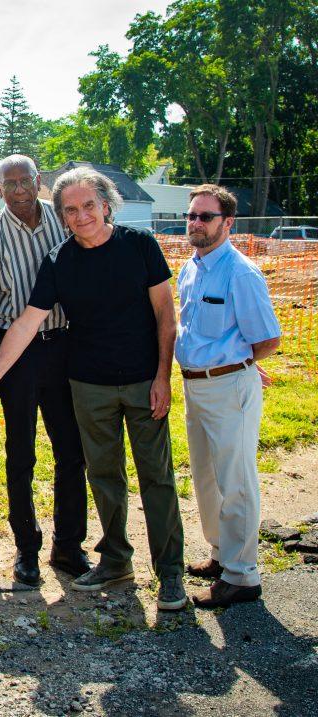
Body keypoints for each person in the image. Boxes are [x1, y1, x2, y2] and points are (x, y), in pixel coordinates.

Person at [0, 166, 188, 611]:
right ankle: (116, 559)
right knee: (104, 476)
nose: (82, 215)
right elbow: (27, 322)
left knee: (155, 478)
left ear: (106, 204)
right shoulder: (60, 260)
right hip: (89, 385)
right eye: (72, 210)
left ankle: (170, 573)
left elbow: (166, 312)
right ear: (62, 216)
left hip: (145, 382)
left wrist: (164, 375)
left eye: (89, 205)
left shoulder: (139, 245)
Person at [0, 155, 88, 586]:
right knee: (20, 451)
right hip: (17, 354)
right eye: (10, 184)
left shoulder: (64, 222)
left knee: (70, 449)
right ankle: (27, 548)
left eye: (27, 181)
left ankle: (68, 545)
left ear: (39, 182)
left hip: (64, 345)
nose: (20, 190)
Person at [175, 185, 280, 608]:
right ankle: (221, 554)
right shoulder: (191, 268)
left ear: (228, 223)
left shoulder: (241, 272)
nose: (196, 224)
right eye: (192, 216)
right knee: (206, 476)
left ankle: (242, 575)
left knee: (236, 479)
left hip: (227, 386)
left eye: (206, 217)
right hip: (195, 385)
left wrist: (241, 366)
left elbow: (267, 338)